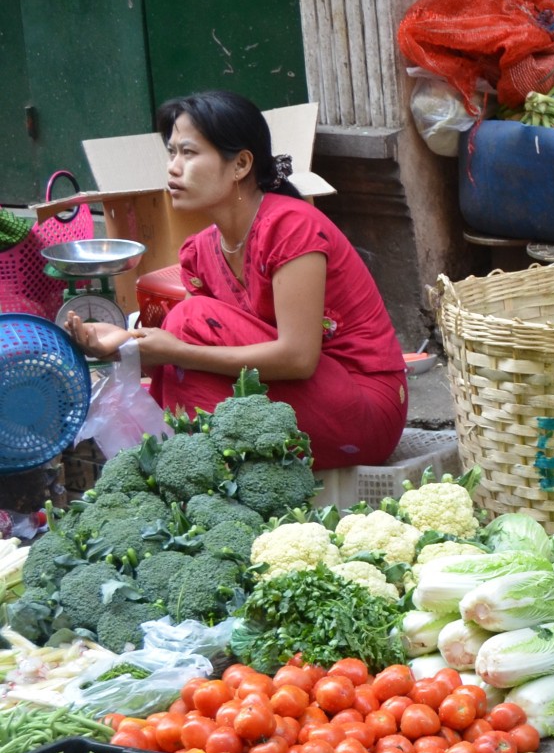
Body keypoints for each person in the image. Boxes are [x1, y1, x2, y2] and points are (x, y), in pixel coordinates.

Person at [62, 90, 407, 470]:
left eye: (189, 153)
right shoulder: (200, 253)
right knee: (186, 335)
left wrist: (175, 350)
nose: (173, 168)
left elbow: (298, 359)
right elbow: (213, 357)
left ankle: (181, 465)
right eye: (171, 153)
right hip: (302, 400)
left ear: (241, 164)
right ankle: (187, 471)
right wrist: (123, 345)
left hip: (364, 412)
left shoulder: (292, 228)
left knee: (188, 320)